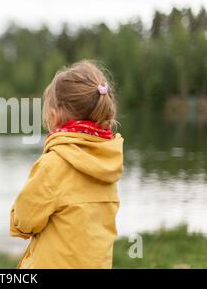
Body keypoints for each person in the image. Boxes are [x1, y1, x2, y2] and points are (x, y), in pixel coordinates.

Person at [10, 60, 124, 268]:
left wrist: (17, 222)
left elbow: (24, 221)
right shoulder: (109, 163)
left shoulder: (54, 164)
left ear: (53, 116)